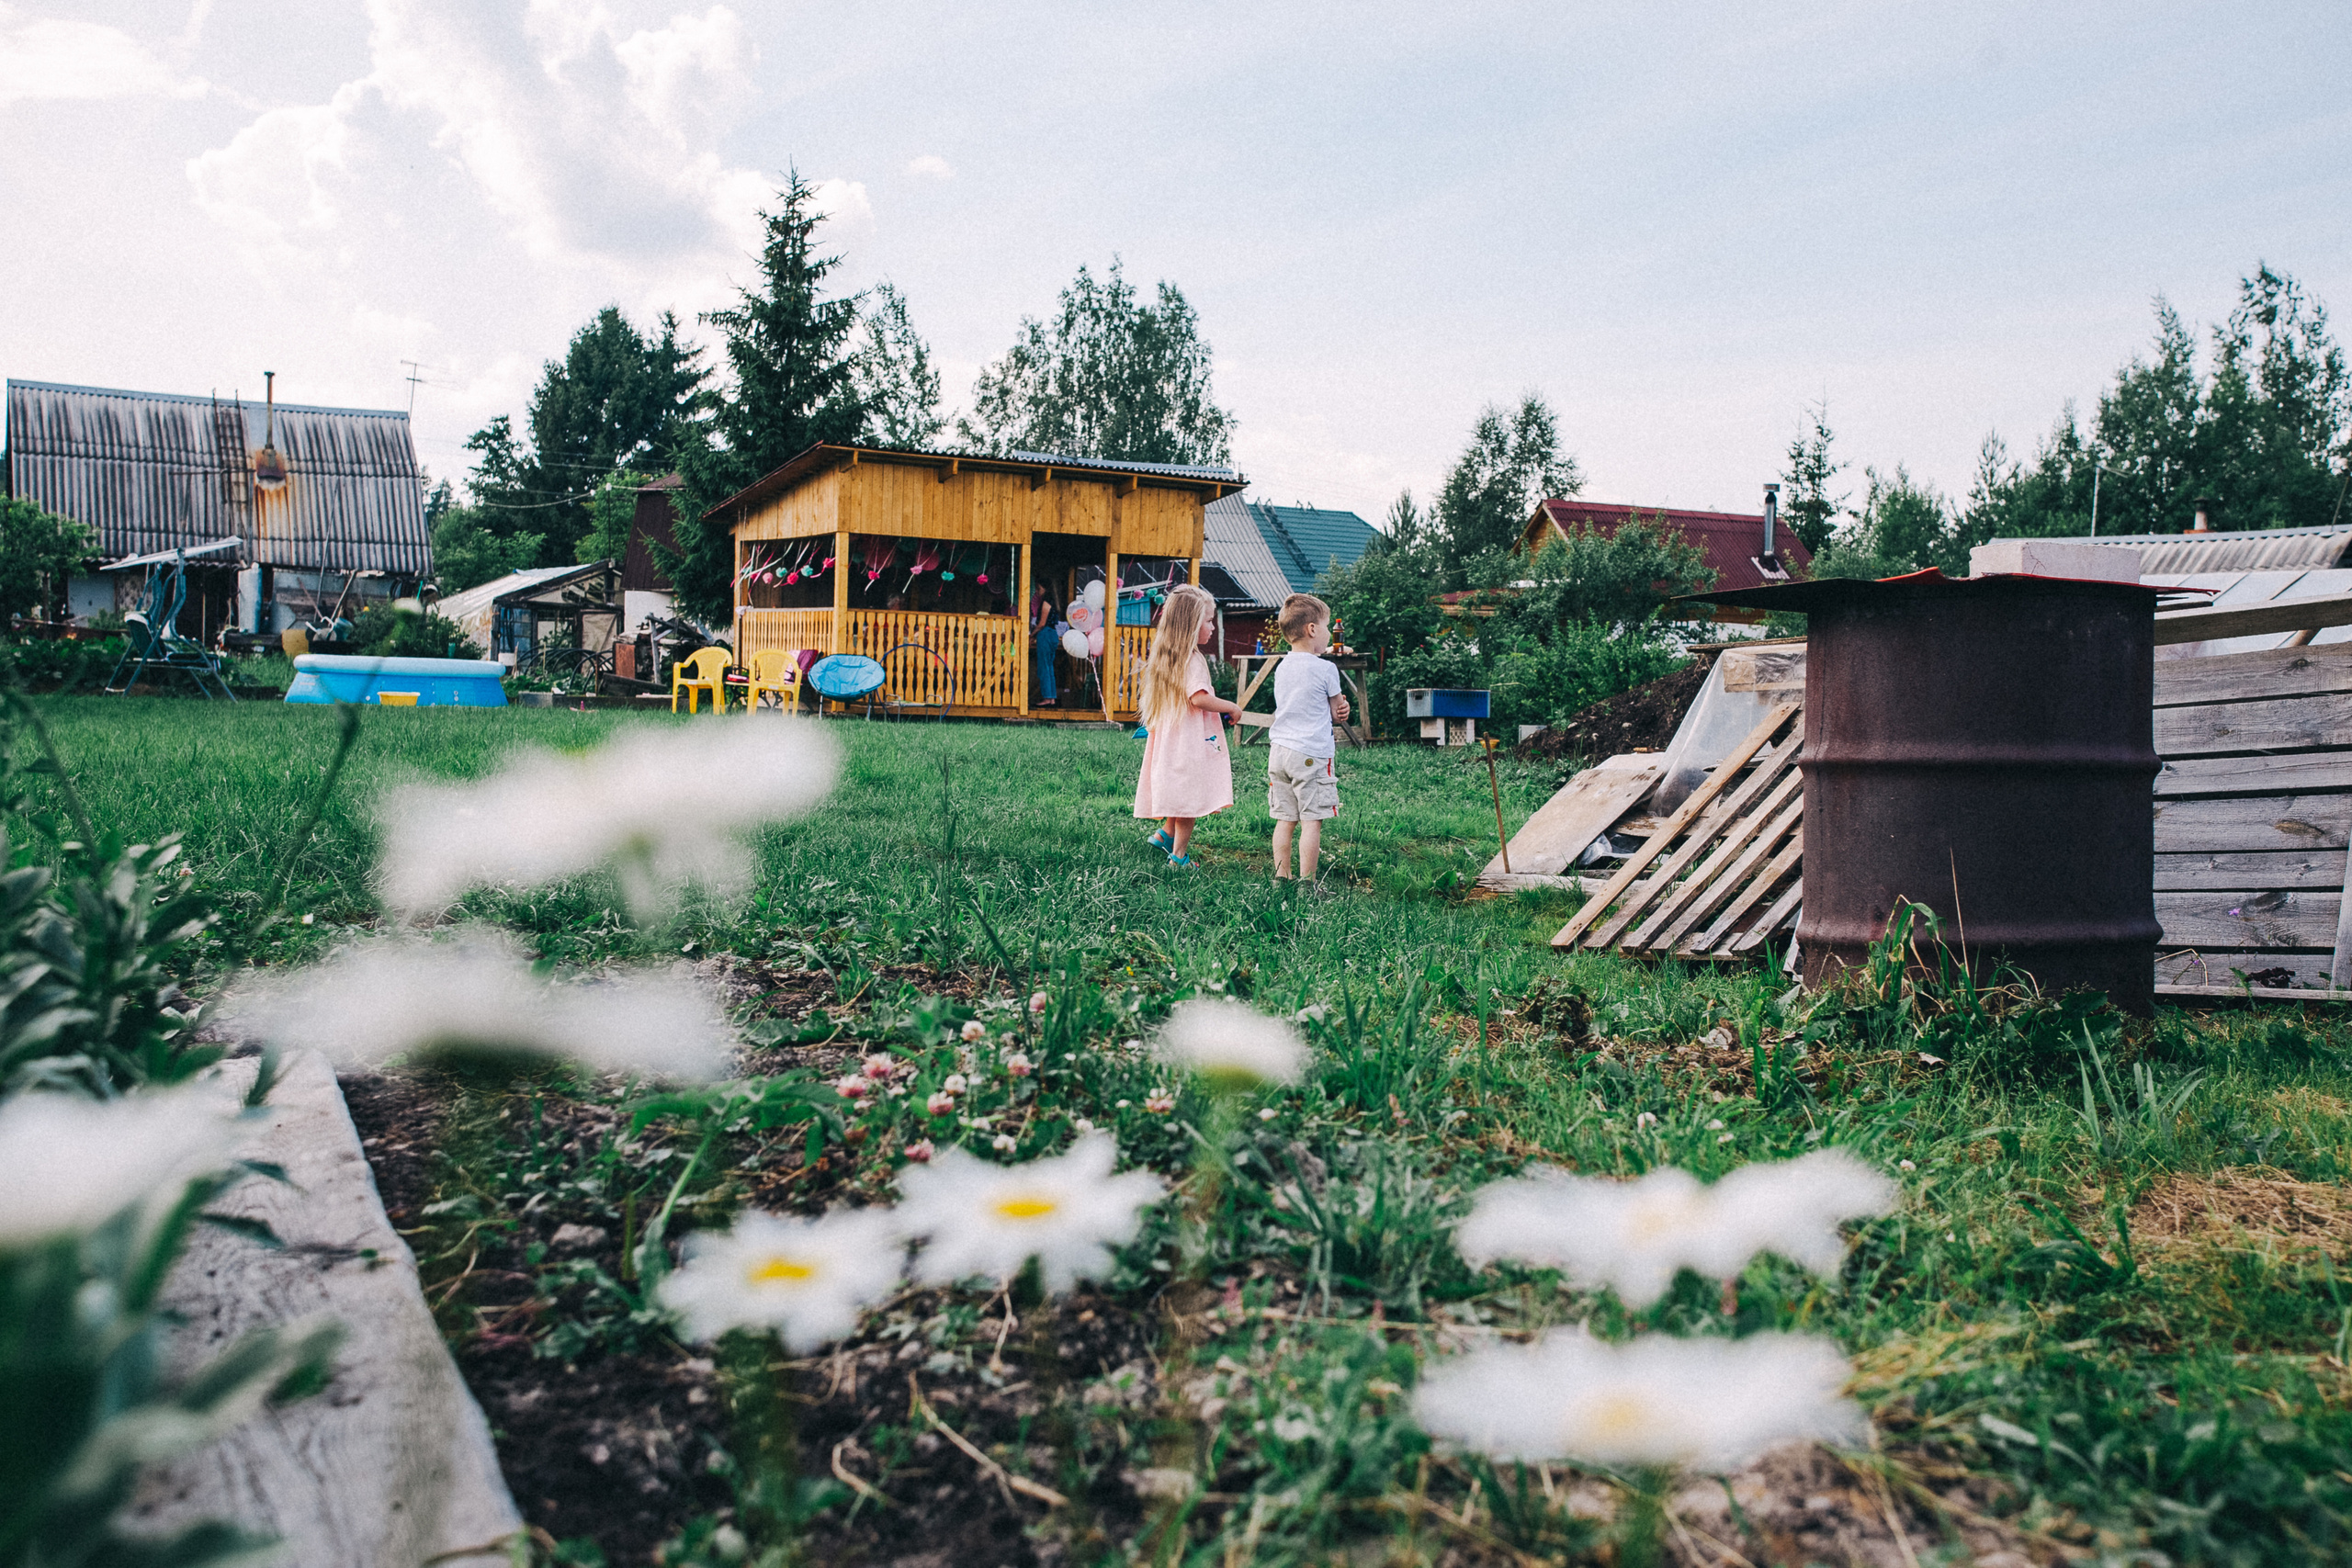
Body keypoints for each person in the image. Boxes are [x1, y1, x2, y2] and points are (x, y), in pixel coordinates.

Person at [1132, 583, 1239, 869]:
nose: (1213, 627)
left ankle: (1165, 833)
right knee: (1188, 797)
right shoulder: (1192, 660)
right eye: (1208, 620)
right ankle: (1178, 856)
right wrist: (1231, 706)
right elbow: (1199, 698)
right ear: (1191, 625)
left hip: (1170, 742)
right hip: (1187, 744)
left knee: (1178, 790)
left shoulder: (1168, 656)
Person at [1265, 592, 1351, 887]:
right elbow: (1337, 713)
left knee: (1285, 819)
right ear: (1312, 629)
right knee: (1312, 820)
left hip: (1279, 752)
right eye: (1327, 627)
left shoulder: (1282, 667)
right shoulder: (1327, 669)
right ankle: (1307, 882)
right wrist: (1343, 707)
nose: (1329, 634)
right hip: (1311, 754)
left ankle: (1281, 877)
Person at [1030, 588, 1058, 706]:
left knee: (1044, 667)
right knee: (1049, 667)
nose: (1037, 591)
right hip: (1053, 634)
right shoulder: (1054, 602)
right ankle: (1052, 698)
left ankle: (1047, 697)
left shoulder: (1047, 601)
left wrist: (1031, 634)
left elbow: (1042, 623)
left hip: (1045, 634)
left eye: (1038, 588)